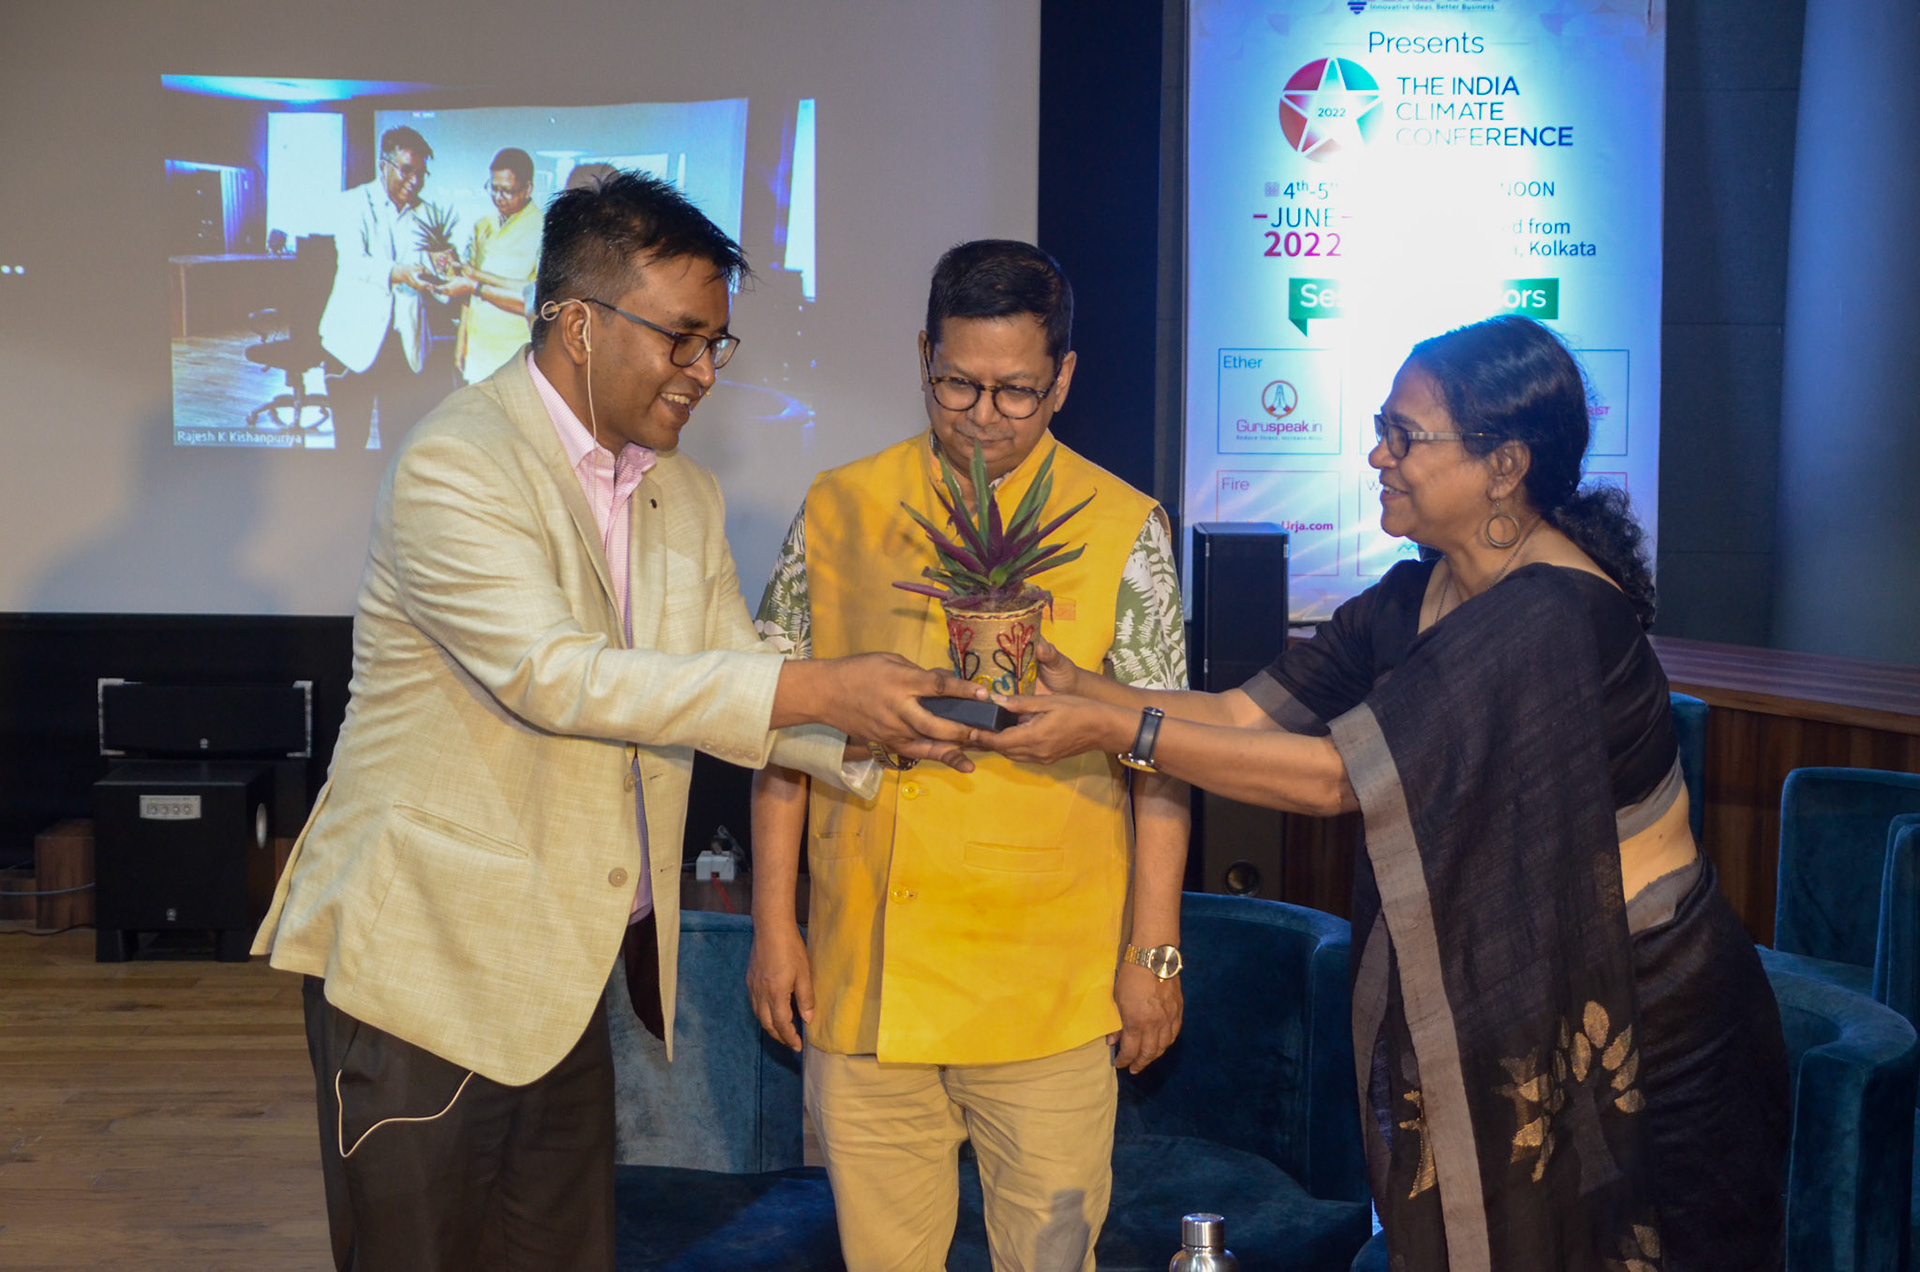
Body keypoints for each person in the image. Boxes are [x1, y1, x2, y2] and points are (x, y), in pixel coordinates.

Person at [252, 171, 979, 1272]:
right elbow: (560, 679)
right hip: (427, 970)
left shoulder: (675, 492)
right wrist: (824, 690)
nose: (702, 373)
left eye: (716, 346)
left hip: (565, 980)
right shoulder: (460, 461)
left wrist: (891, 721)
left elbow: (730, 671)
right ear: (577, 324)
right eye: (682, 339)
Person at [973, 315, 1790, 1272]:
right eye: (1381, 426)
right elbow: (1242, 717)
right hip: (1531, 1010)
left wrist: (1119, 731)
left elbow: (1336, 781)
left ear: (1504, 465)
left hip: (1645, 1021)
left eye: (1405, 435)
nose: (1377, 454)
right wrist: (1077, 685)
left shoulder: (1553, 615)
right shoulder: (1416, 595)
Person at [746, 240, 1192, 1272]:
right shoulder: (838, 507)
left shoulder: (1124, 527)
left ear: (1064, 378)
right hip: (867, 975)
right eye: (958, 384)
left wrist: (1154, 954)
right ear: (921, 357)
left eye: (1017, 393)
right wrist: (775, 927)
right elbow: (769, 724)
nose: (984, 416)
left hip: (1049, 984)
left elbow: (1164, 759)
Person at [318, 125, 443, 452]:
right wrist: (400, 273)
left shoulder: (427, 213)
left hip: (404, 347)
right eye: (406, 170)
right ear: (383, 165)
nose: (414, 181)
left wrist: (445, 272)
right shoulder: (352, 204)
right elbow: (354, 263)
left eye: (421, 173)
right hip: (352, 344)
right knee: (349, 446)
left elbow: (435, 278)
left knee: (399, 444)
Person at [446, 147, 541, 385]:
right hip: (479, 349)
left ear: (528, 188)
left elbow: (535, 299)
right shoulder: (482, 226)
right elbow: (467, 293)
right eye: (493, 188)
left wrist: (476, 282)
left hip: (516, 350)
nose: (499, 197)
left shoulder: (543, 228)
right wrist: (461, 342)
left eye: (507, 191)